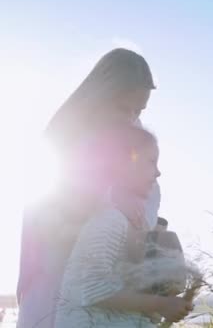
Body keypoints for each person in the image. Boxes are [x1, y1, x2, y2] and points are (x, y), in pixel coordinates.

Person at [17, 48, 164, 328]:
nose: (130, 117)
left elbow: (149, 195)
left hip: (107, 281)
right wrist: (110, 200)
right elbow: (50, 209)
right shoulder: (65, 135)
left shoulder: (135, 139)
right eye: (123, 108)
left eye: (139, 110)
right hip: (58, 276)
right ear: (100, 96)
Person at [54, 125, 192, 327]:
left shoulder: (136, 222)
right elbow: (91, 287)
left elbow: (128, 290)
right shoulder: (110, 220)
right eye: (151, 162)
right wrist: (160, 304)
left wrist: (164, 306)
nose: (158, 172)